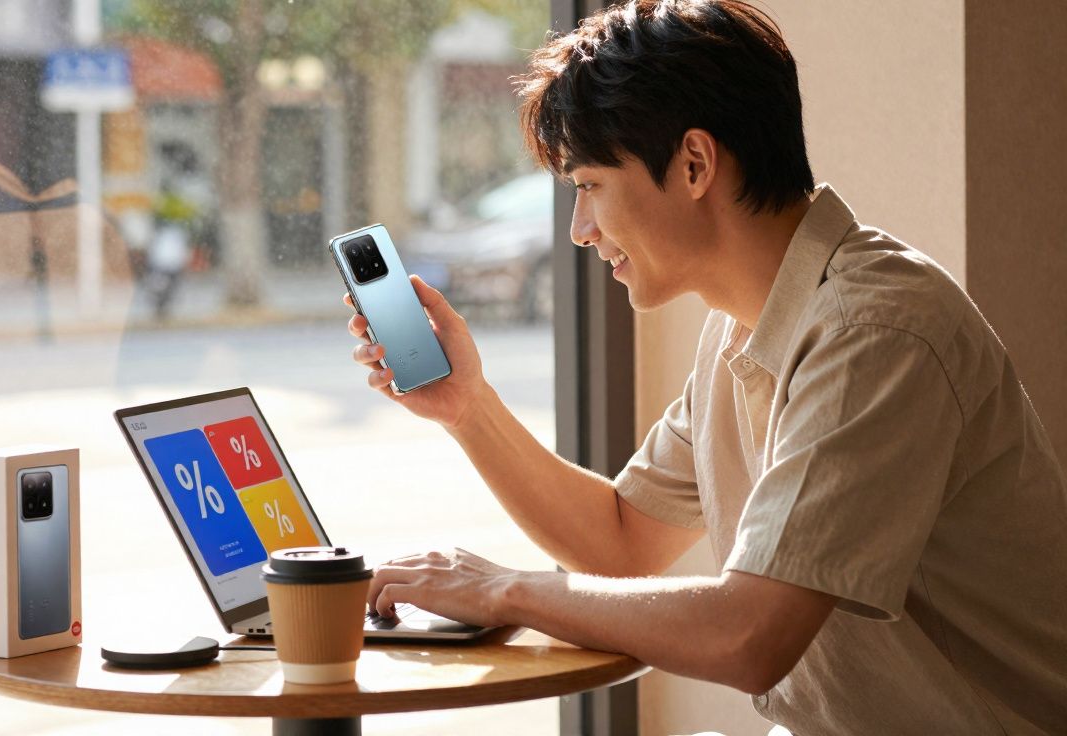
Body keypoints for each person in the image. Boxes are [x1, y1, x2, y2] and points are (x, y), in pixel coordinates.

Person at [345, 2, 1067, 734]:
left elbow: (749, 635)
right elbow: (621, 540)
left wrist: (505, 591)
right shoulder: (747, 325)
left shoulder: (873, 332)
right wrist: (470, 409)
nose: (578, 231)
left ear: (694, 163)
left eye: (590, 185)